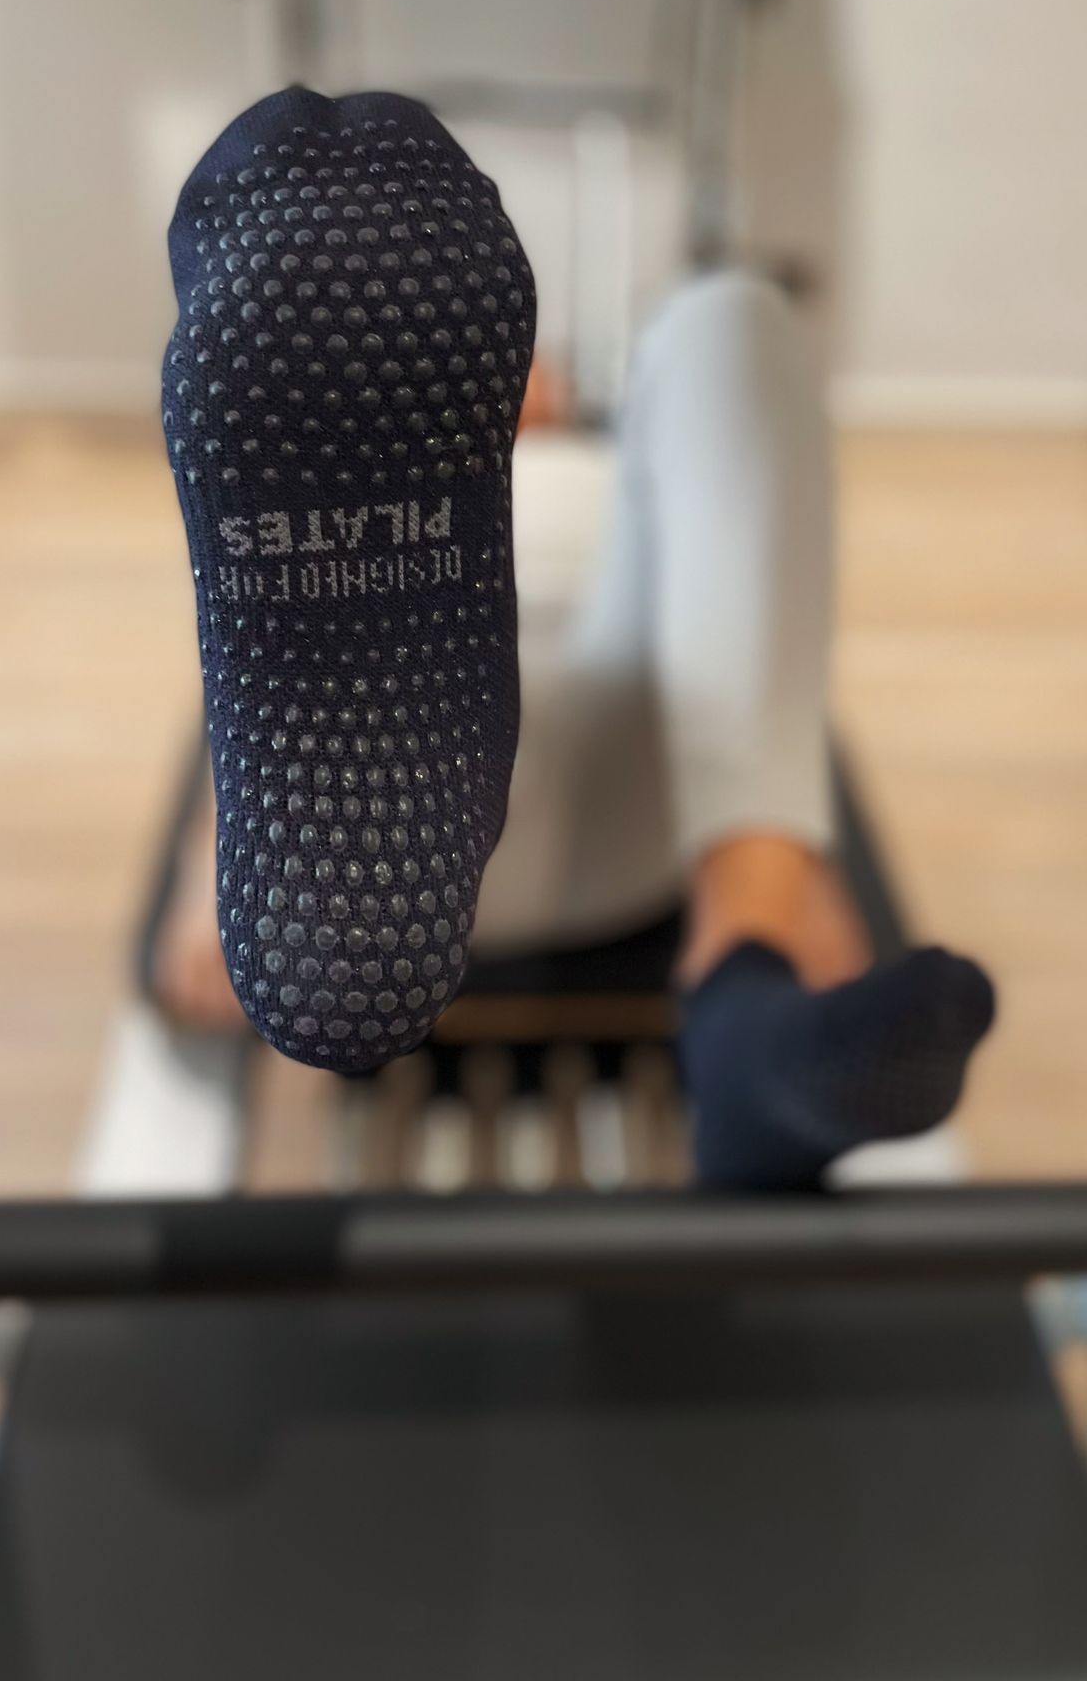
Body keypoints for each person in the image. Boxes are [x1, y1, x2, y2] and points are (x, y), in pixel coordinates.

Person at [157, 86, 994, 1187]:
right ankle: (747, 978)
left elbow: (734, 578)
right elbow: (262, 661)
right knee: (329, 632)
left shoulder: (623, 466)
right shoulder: (449, 470)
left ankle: (748, 932)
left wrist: (780, 827)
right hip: (452, 791)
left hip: (608, 773)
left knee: (727, 319)